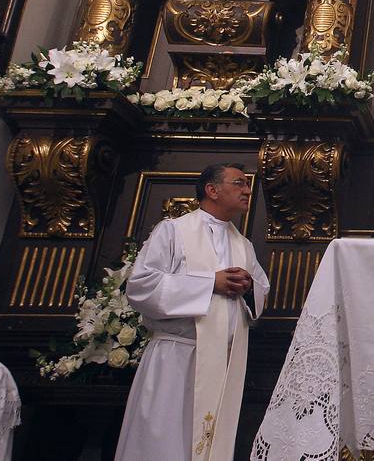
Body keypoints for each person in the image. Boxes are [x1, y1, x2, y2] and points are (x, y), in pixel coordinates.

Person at [115, 164, 269, 461]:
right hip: (176, 357)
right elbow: (141, 287)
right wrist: (211, 282)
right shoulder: (172, 231)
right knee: (164, 440)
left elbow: (260, 290)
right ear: (212, 190)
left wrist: (248, 287)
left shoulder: (244, 245)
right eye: (238, 183)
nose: (248, 190)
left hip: (224, 359)